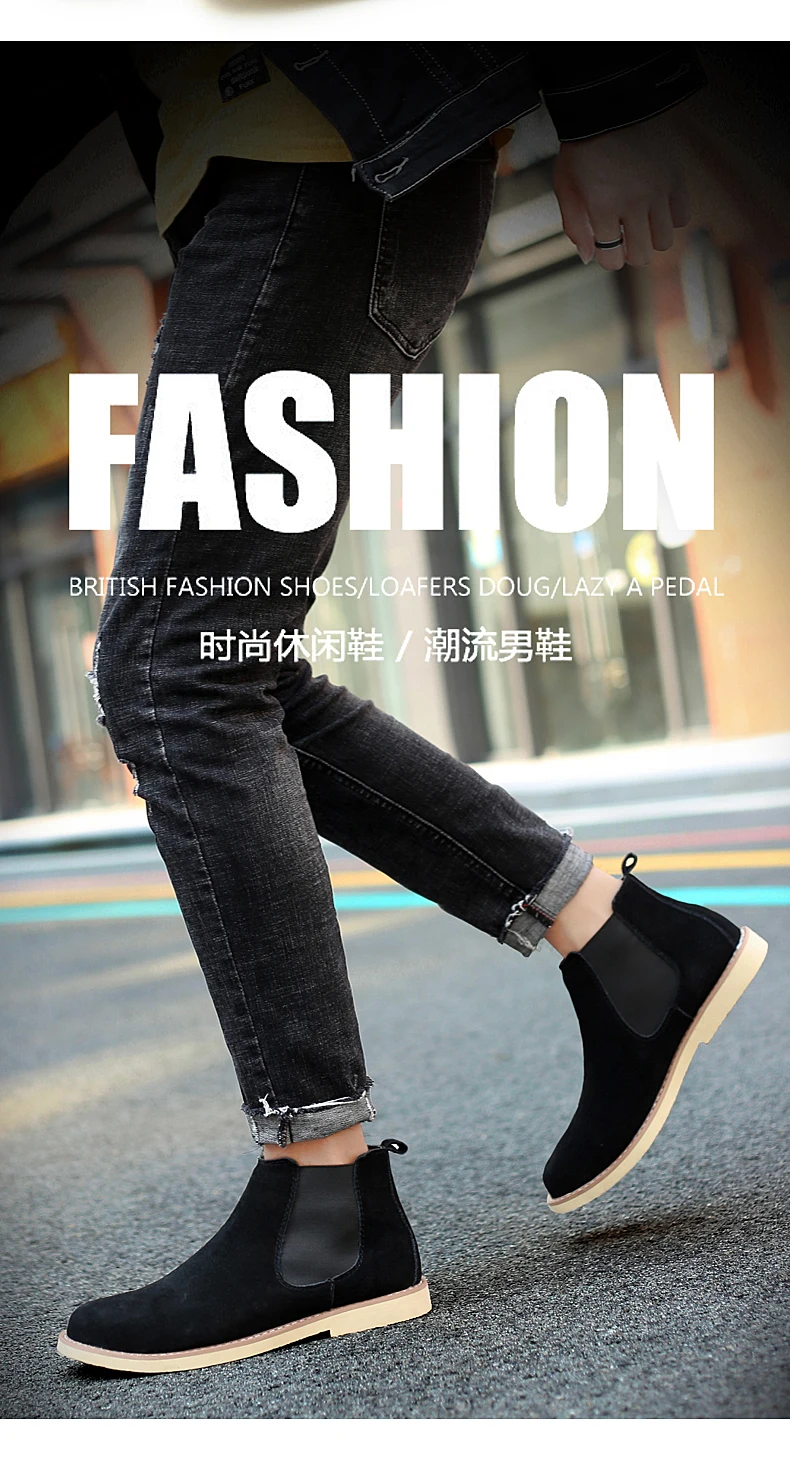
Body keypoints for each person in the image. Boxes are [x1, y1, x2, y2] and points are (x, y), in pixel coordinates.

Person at [7, 43, 766, 1376]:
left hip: (313, 152)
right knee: (219, 656)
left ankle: (324, 1201)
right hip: (265, 169)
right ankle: (627, 948)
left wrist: (613, 96)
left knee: (177, 667)